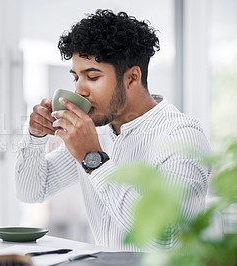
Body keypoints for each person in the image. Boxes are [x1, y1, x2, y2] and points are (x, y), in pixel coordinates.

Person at [15, 9, 211, 251]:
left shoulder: (181, 136)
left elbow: (164, 237)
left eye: (93, 77)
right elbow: (32, 191)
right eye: (76, 77)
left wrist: (93, 160)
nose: (79, 90)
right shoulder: (98, 133)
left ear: (132, 77)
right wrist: (35, 136)